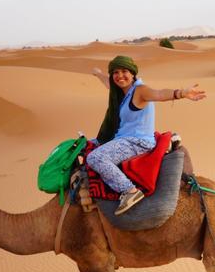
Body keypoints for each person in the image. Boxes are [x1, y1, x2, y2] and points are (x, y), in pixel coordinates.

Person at [87, 55, 205, 214]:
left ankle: (129, 191)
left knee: (95, 158)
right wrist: (98, 73)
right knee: (87, 143)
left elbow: (159, 94)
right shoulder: (122, 91)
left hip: (137, 142)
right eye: (115, 72)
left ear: (133, 73)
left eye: (124, 71)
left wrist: (181, 93)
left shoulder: (140, 91)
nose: (120, 76)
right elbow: (109, 83)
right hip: (123, 138)